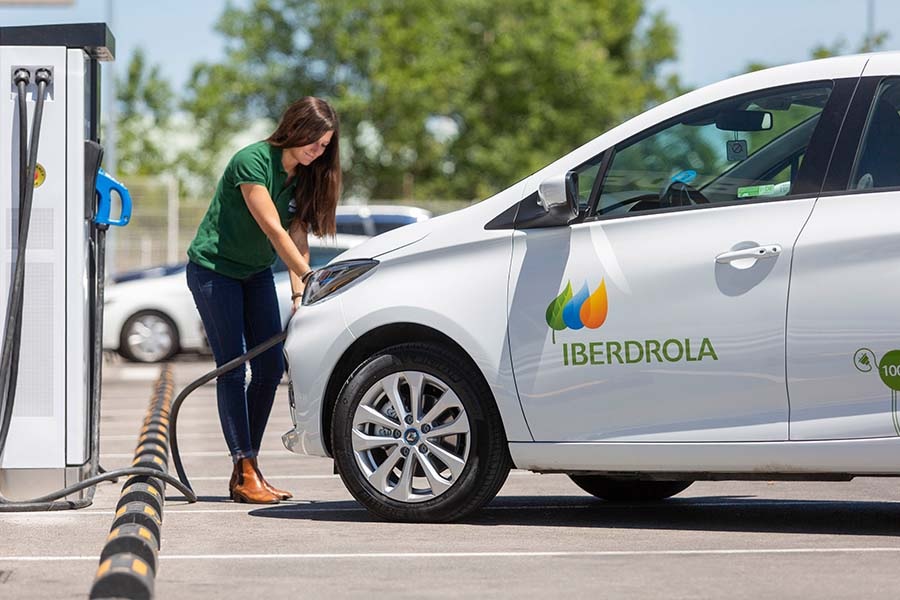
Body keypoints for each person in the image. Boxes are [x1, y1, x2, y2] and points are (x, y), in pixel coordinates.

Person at [186, 97, 340, 504]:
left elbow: (298, 234)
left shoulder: (305, 174)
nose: (318, 152)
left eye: (325, 146)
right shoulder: (251, 161)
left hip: (253, 274)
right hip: (214, 271)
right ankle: (244, 467)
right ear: (295, 128)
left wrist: (297, 292)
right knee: (233, 370)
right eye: (314, 142)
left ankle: (247, 469)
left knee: (271, 367)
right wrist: (310, 277)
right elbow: (274, 230)